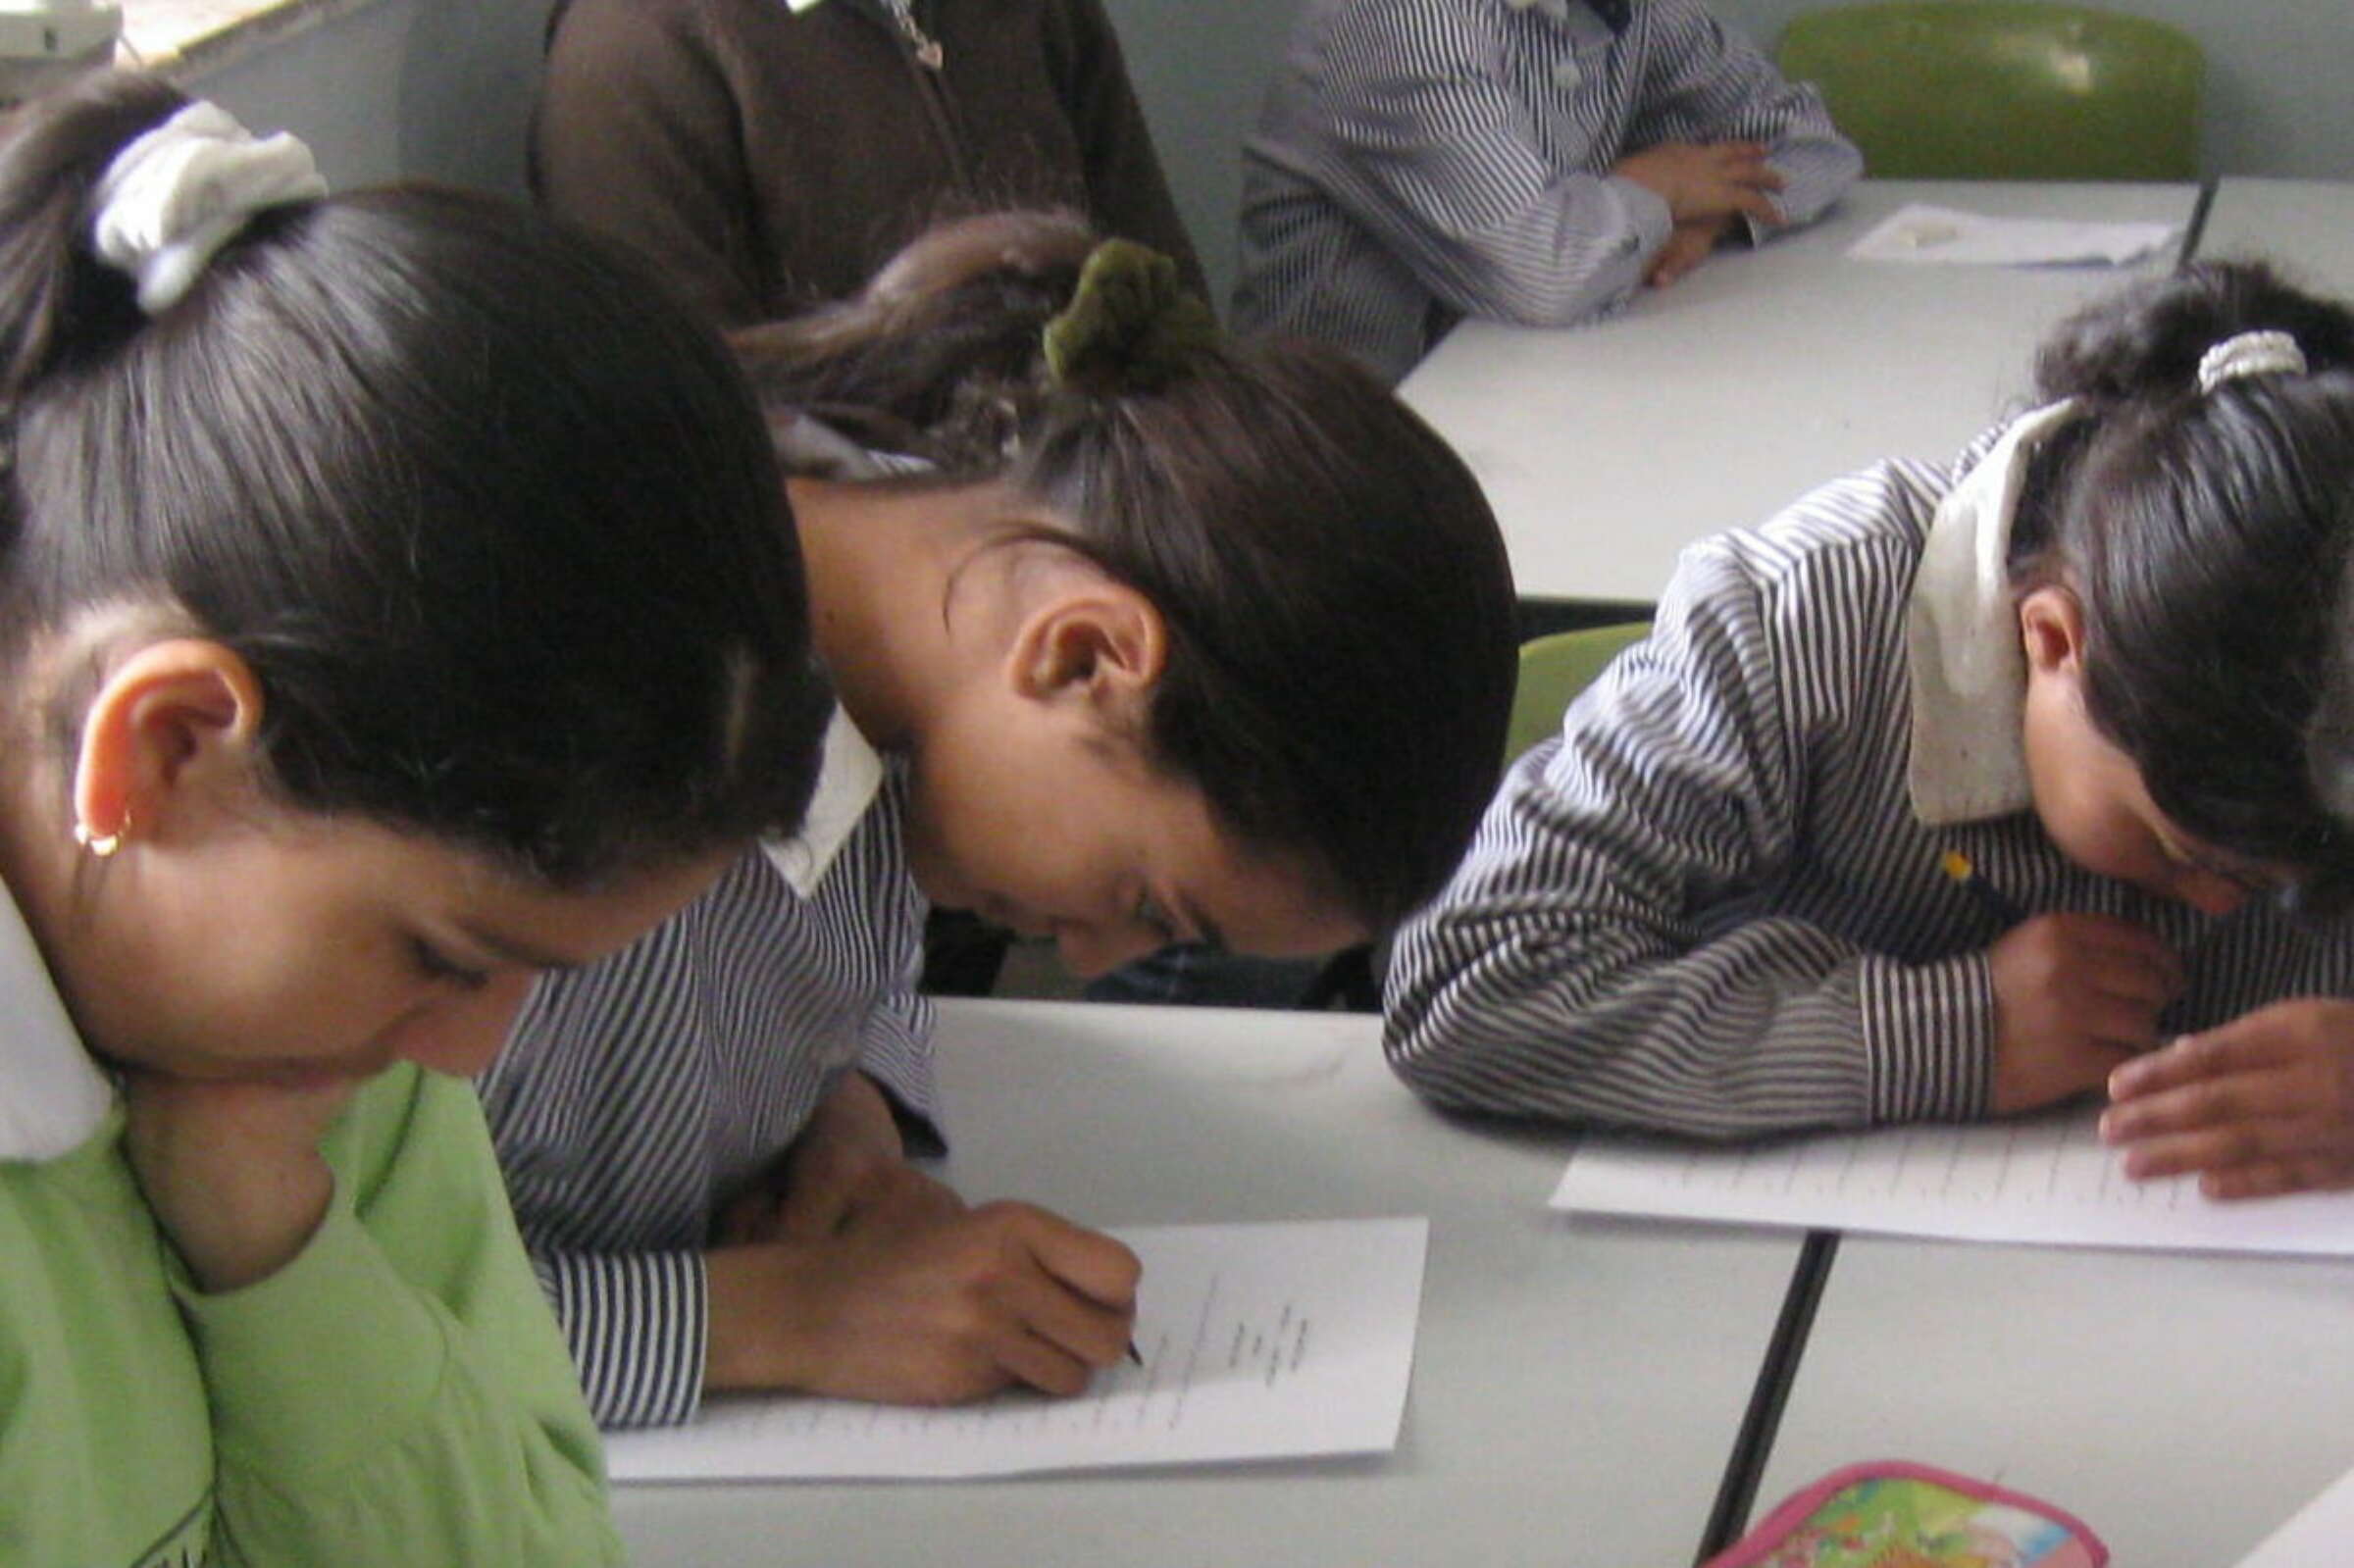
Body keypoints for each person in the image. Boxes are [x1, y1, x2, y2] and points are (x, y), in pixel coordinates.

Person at [479, 209, 1520, 1428]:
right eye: (1144, 904)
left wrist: (846, 1110)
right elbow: (324, 1347)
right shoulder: (580, 747)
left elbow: (850, 969)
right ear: (1086, 656)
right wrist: (785, 1318)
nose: (1087, 960)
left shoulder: (905, 662)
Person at [0, 74, 834, 1564]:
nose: (472, 1046)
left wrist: (276, 1250)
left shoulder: (303, 1054)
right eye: (452, 954)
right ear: (169, 744)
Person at [1385, 260, 2354, 1201]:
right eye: (2180, 851)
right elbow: (1468, 982)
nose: (2223, 910)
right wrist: (1953, 1032)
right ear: (2054, 640)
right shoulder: (1799, 625)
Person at [1232, 0, 1863, 383]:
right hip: (1336, 474)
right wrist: (1663, 188)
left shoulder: (1631, 11)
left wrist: (1713, 217)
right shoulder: (1401, 22)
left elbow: (1812, 142)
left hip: (1544, 399)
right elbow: (1548, 272)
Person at [529, 0, 1204, 330]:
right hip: (865, 580)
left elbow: (1174, 311)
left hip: (1118, 525)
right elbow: (700, 467)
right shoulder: (630, 53)